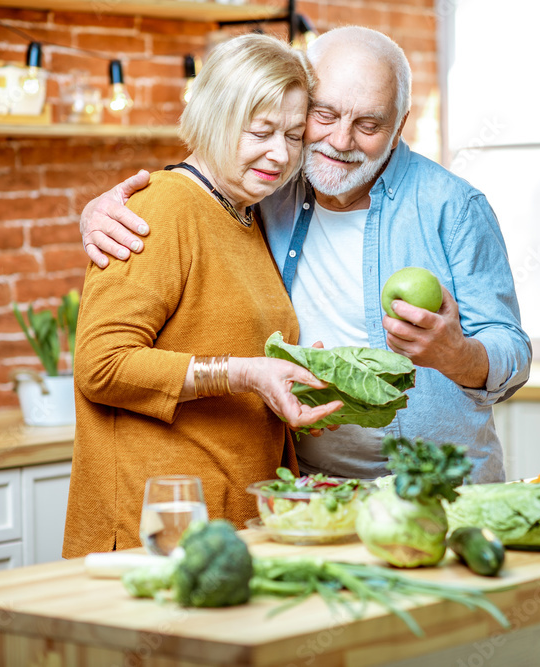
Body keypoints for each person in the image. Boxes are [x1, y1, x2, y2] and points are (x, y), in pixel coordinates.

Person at [78, 26, 531, 484]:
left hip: (439, 486)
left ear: (399, 126)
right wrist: (103, 209)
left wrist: (457, 353)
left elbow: (512, 349)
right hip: (312, 487)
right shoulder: (270, 189)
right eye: (324, 115)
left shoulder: (452, 207)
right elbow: (196, 181)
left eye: (369, 124)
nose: (340, 141)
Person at [62, 34, 342, 559]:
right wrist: (244, 372)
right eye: (260, 131)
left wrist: (291, 372)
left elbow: (220, 334)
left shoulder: (246, 212)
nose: (280, 153)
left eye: (293, 135)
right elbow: (100, 366)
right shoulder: (162, 210)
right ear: (215, 117)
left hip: (227, 523)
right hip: (155, 531)